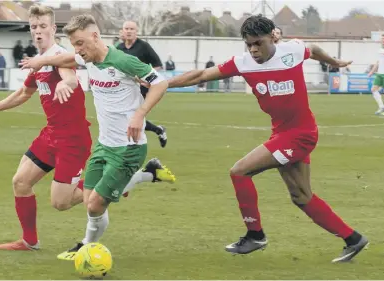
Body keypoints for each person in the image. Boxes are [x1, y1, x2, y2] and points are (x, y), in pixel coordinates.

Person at [141, 15, 368, 263]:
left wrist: (334, 61)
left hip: (300, 135)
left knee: (239, 171)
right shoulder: (244, 62)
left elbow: (313, 49)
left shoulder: (291, 51)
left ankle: (255, 234)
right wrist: (163, 84)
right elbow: (201, 75)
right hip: (283, 134)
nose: (253, 49)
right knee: (302, 197)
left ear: (273, 37)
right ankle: (353, 239)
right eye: (248, 44)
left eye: (258, 43)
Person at [0, 5, 173, 252]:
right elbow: (26, 92)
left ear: (52, 28)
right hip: (51, 134)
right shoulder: (53, 60)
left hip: (72, 139)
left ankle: (123, 183)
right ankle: (30, 241)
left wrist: (66, 84)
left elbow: (69, 74)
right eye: (33, 27)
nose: (37, 32)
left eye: (43, 27)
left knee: (63, 202)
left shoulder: (73, 57)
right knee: (20, 182)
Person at [117, 21, 168, 148]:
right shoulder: (118, 48)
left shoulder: (144, 46)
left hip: (141, 88)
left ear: (136, 32)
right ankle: (158, 130)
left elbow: (158, 65)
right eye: (126, 28)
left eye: (132, 29)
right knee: (126, 117)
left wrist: (148, 80)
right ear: (122, 31)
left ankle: (133, 146)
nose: (129, 31)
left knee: (133, 117)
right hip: (123, 88)